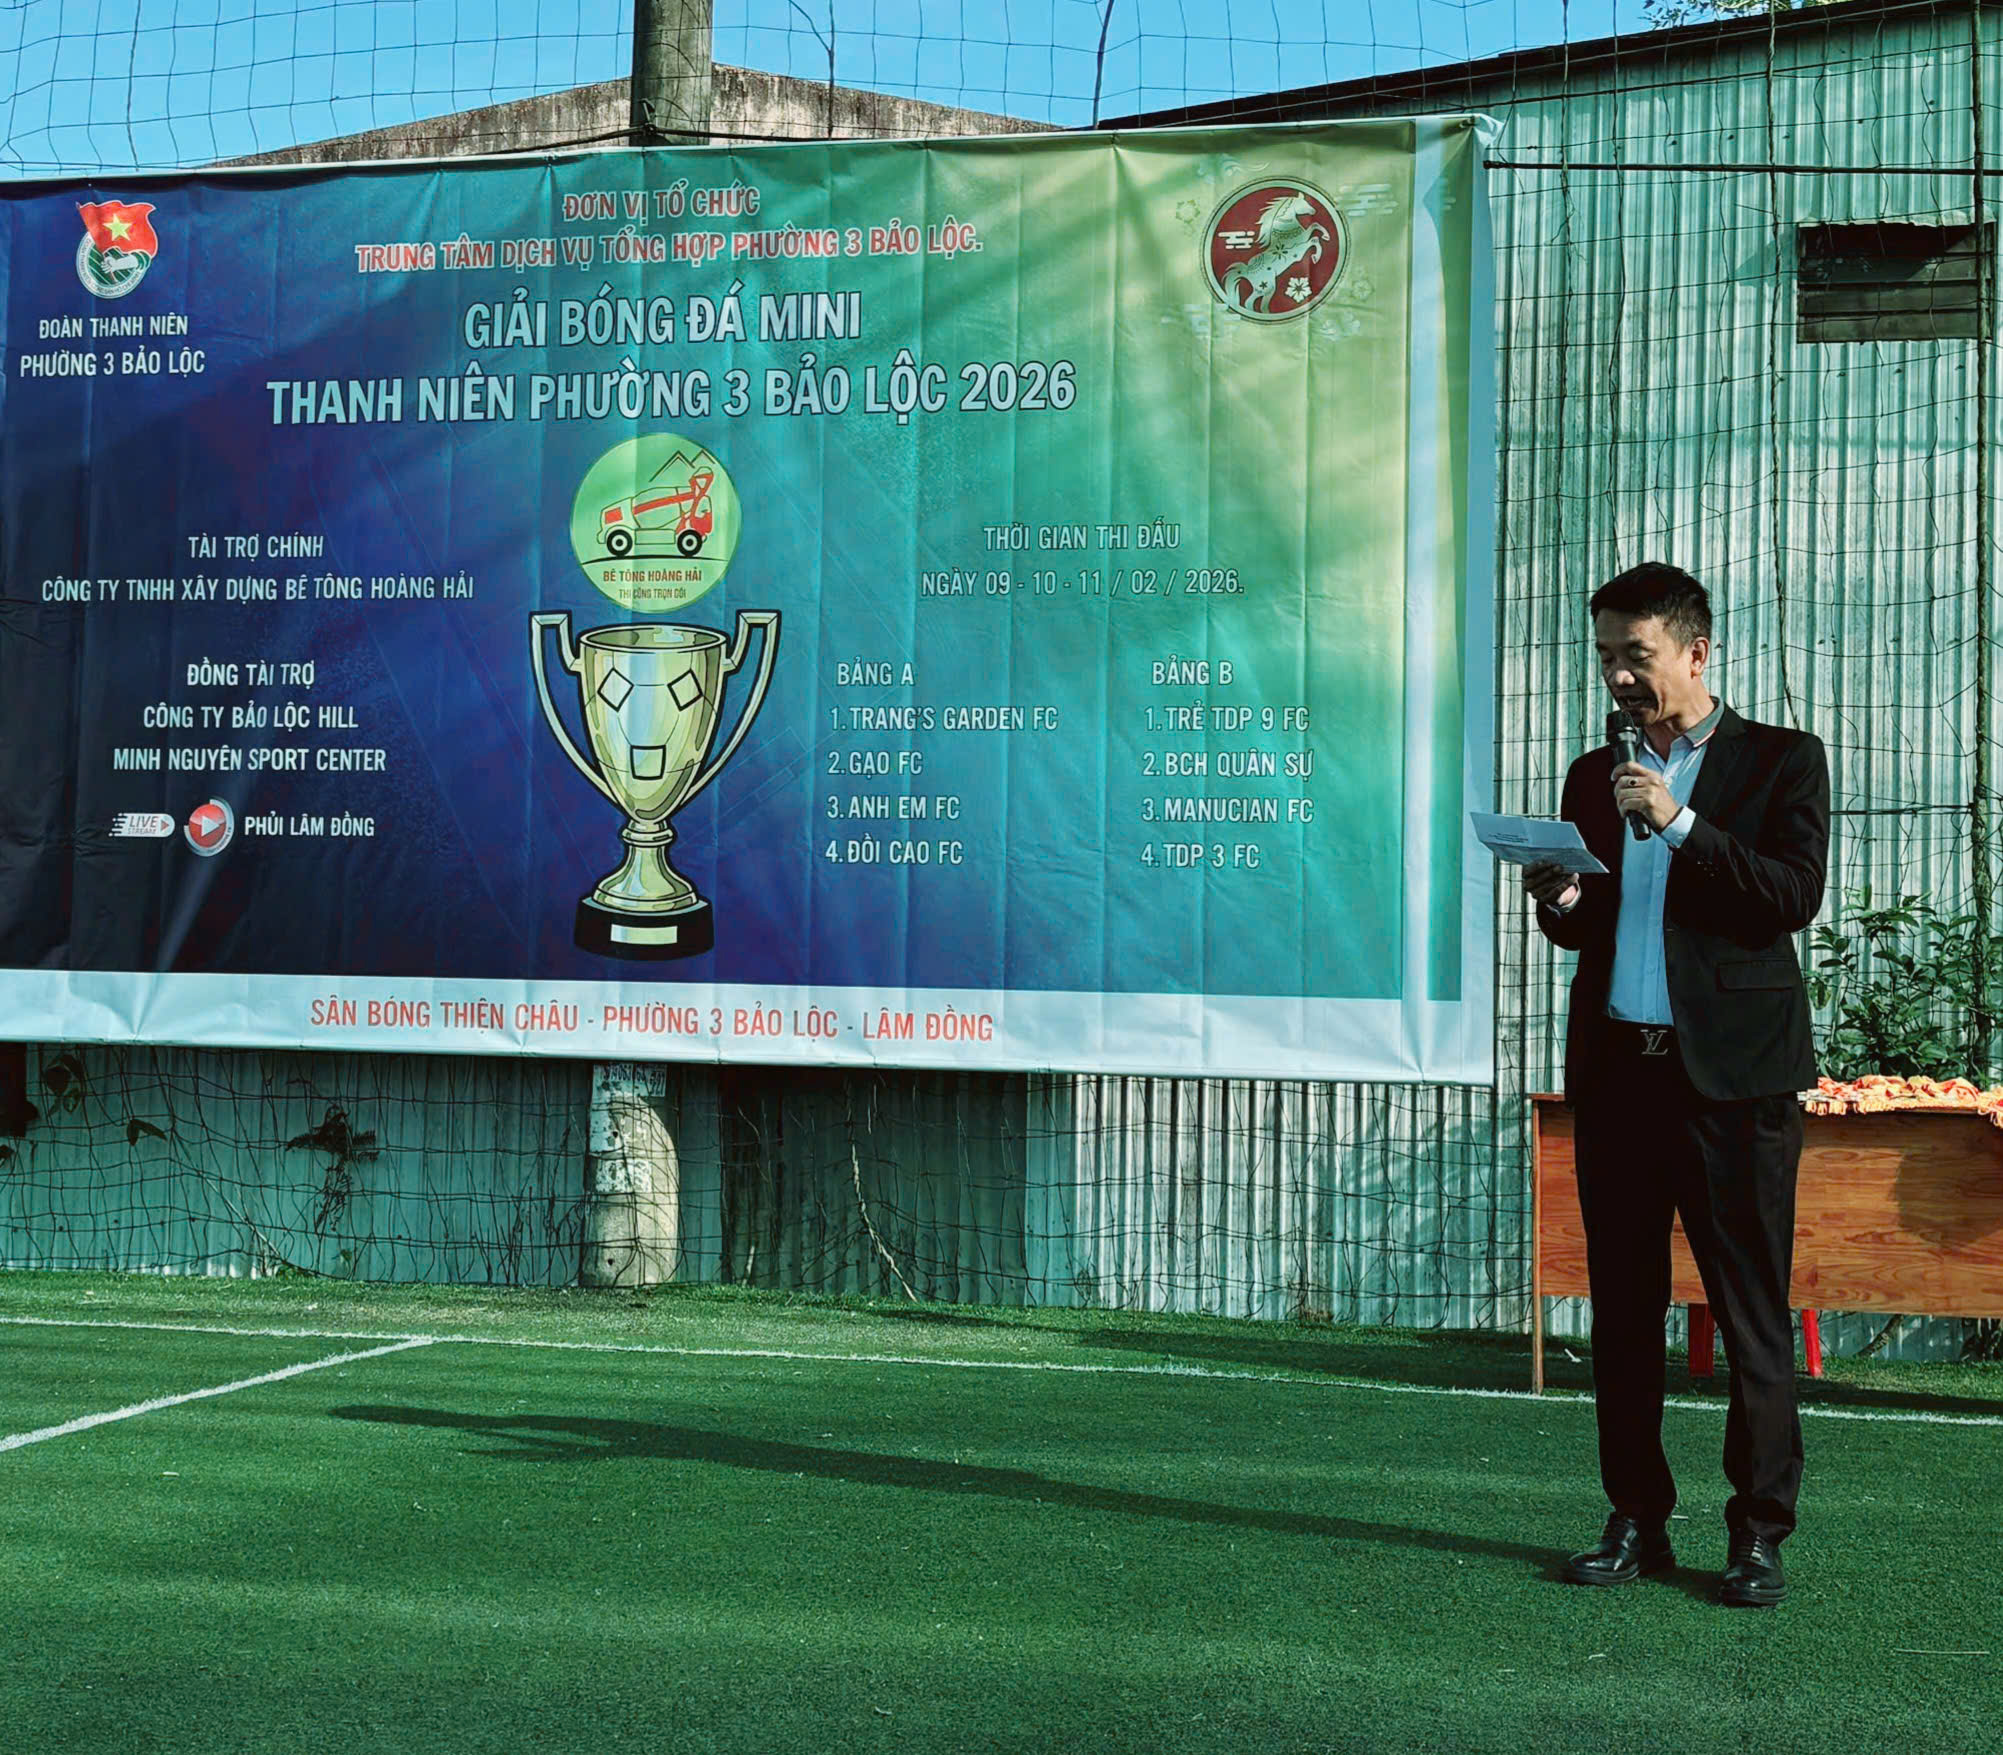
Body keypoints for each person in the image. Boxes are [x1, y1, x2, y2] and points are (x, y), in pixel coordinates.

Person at [1522, 561, 1829, 1609]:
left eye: (1635, 654)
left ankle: (1758, 1533)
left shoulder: (1781, 760)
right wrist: (1561, 898)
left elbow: (1788, 897)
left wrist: (1679, 822)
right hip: (1619, 1076)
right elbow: (1587, 928)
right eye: (1604, 655)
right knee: (1621, 1309)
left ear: (1695, 653)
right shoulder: (1590, 774)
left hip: (1734, 1087)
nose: (1616, 674)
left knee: (1749, 1312)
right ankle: (1635, 1518)